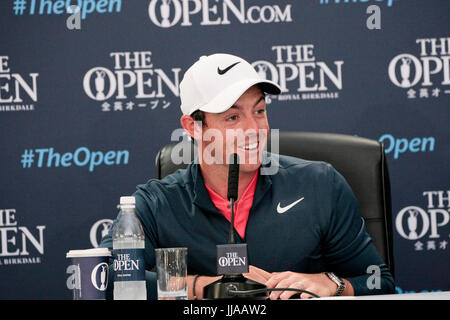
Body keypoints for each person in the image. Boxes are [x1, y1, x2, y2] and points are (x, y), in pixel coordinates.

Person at [100, 53, 395, 299]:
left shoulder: (320, 184)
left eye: (260, 111)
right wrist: (205, 287)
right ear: (193, 127)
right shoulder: (156, 203)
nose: (254, 129)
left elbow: (379, 282)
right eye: (233, 117)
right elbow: (105, 277)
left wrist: (333, 284)